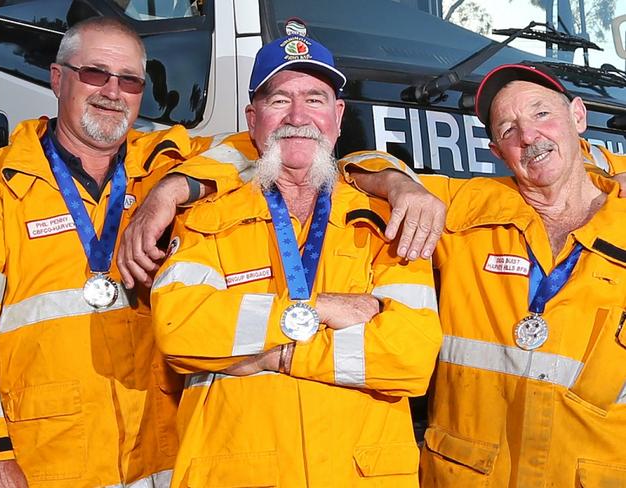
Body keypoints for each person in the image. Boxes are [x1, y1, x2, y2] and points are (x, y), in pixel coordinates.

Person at [150, 34, 443, 487]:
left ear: (338, 117)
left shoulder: (386, 221)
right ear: (253, 119)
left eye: (315, 99)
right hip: (239, 472)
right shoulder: (207, 216)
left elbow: (410, 356)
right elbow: (180, 328)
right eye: (279, 99)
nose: (298, 117)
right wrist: (320, 310)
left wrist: (273, 356)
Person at [0, 16, 256, 487]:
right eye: (95, 73)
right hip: (47, 462)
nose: (112, 91)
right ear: (57, 78)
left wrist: (169, 190)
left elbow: (258, 149)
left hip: (163, 460)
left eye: (129, 81)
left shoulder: (162, 160)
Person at [343, 63, 626, 487]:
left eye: (541, 113)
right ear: (497, 151)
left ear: (579, 117)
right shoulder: (466, 205)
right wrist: (400, 185)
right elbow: (352, 164)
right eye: (508, 129)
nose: (528, 136)